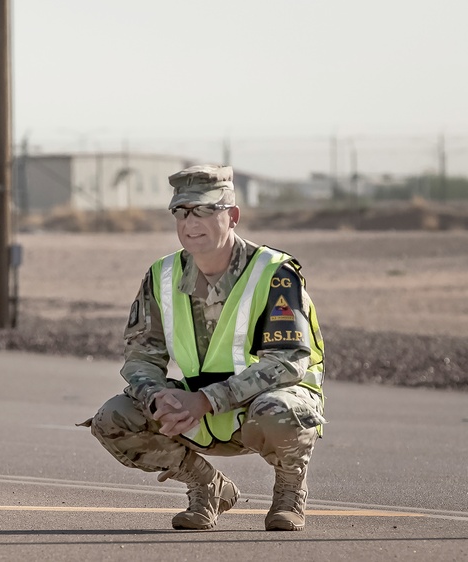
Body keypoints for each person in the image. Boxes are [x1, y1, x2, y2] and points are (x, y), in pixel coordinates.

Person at [85, 164, 326, 532]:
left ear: (233, 217)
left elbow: (289, 361)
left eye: (204, 210)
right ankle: (206, 487)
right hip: (201, 409)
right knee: (113, 418)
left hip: (265, 402)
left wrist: (208, 400)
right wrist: (157, 398)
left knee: (279, 410)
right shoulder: (162, 275)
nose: (190, 222)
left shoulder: (274, 271)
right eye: (181, 212)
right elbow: (141, 357)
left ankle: (290, 491)